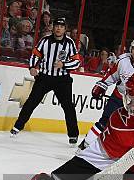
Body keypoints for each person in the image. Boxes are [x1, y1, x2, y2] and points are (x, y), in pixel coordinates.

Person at [10, 17, 82, 146]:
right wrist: (32, 67)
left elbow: (76, 62)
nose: (59, 28)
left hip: (62, 80)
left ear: (65, 29)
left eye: (61, 26)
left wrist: (63, 64)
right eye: (57, 25)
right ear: (53, 27)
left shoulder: (70, 43)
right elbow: (35, 55)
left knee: (68, 107)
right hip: (44, 77)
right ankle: (17, 127)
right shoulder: (45, 40)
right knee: (31, 102)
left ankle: (73, 135)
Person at [78, 38, 134, 150]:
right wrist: (102, 85)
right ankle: (85, 144)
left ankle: (132, 151)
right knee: (104, 120)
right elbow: (112, 75)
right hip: (119, 96)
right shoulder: (122, 60)